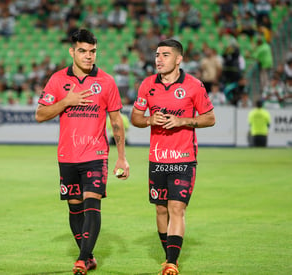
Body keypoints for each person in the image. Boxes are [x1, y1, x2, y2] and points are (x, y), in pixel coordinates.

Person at [35, 29, 130, 275]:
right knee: (74, 208)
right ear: (72, 51)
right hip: (67, 156)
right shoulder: (57, 80)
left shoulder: (107, 81)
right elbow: (40, 115)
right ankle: (88, 256)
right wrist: (66, 101)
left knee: (92, 204)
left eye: (92, 51)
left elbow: (116, 121)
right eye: (83, 51)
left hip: (96, 155)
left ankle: (82, 259)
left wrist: (121, 156)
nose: (88, 56)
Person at [130, 39, 215, 275]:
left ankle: (171, 263)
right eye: (157, 54)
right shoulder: (147, 85)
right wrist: (149, 120)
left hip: (184, 158)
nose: (158, 59)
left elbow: (209, 118)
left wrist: (183, 120)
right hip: (157, 159)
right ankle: (168, 255)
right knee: (160, 210)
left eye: (165, 55)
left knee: (176, 208)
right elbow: (135, 117)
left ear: (179, 59)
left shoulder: (194, 85)